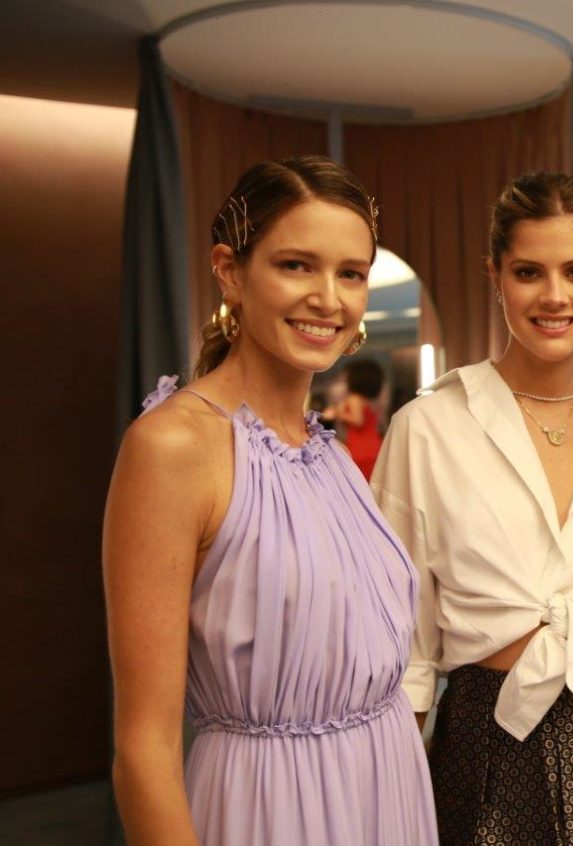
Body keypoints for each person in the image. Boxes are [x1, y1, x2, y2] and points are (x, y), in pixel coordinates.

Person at [103, 155, 438, 846]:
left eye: (351, 273)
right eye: (296, 265)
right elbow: (143, 752)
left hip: (387, 795)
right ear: (229, 270)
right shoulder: (172, 448)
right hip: (268, 811)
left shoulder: (328, 451)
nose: (329, 299)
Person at [372, 172, 573, 846]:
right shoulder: (427, 429)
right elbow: (403, 640)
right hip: (483, 741)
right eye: (528, 272)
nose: (554, 296)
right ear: (495, 276)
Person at [326, 357, 386, 479]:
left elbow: (357, 420)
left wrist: (337, 413)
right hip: (375, 446)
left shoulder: (354, 398)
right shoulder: (371, 400)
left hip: (359, 449)